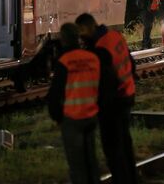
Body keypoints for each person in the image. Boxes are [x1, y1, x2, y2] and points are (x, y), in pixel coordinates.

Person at [47, 23, 114, 184]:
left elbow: (55, 94)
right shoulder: (92, 58)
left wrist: (57, 117)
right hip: (91, 116)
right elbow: (106, 87)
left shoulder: (64, 61)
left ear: (63, 40)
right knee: (91, 159)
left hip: (72, 119)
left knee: (77, 164)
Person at [76, 13, 138, 184]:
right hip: (127, 96)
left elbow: (105, 82)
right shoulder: (115, 36)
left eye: (81, 31)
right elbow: (132, 64)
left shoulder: (100, 49)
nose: (80, 36)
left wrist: (100, 106)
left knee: (113, 149)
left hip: (113, 104)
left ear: (89, 28)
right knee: (126, 145)